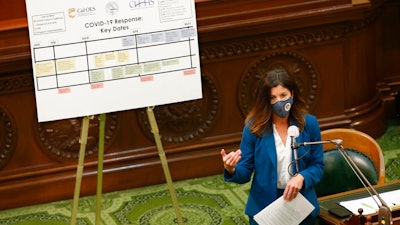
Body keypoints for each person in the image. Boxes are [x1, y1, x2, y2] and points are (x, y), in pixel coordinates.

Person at [220, 68, 324, 225]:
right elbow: (245, 172)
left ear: (292, 94)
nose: (279, 102)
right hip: (265, 208)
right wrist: (231, 169)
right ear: (266, 100)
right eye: (273, 98)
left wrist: (302, 177)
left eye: (283, 96)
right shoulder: (254, 128)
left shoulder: (309, 124)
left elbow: (318, 166)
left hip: (301, 205)